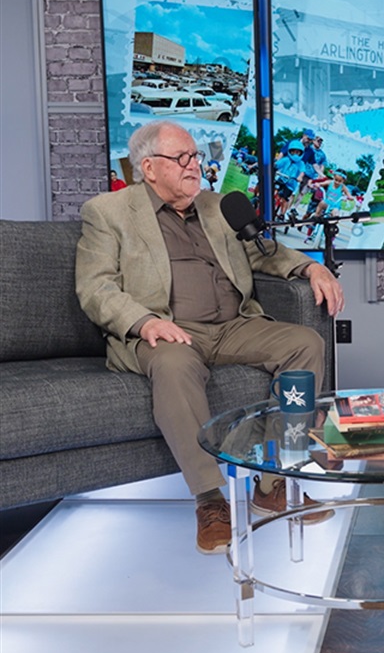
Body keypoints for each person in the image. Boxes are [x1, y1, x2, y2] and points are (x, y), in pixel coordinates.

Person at [76, 121, 346, 556]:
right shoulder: (108, 212)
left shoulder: (218, 207)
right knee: (173, 363)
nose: (193, 166)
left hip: (233, 325)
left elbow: (267, 252)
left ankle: (275, 483)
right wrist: (144, 322)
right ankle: (210, 499)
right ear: (149, 168)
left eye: (195, 156)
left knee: (305, 342)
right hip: (167, 329)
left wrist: (310, 268)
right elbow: (95, 288)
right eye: (180, 159)